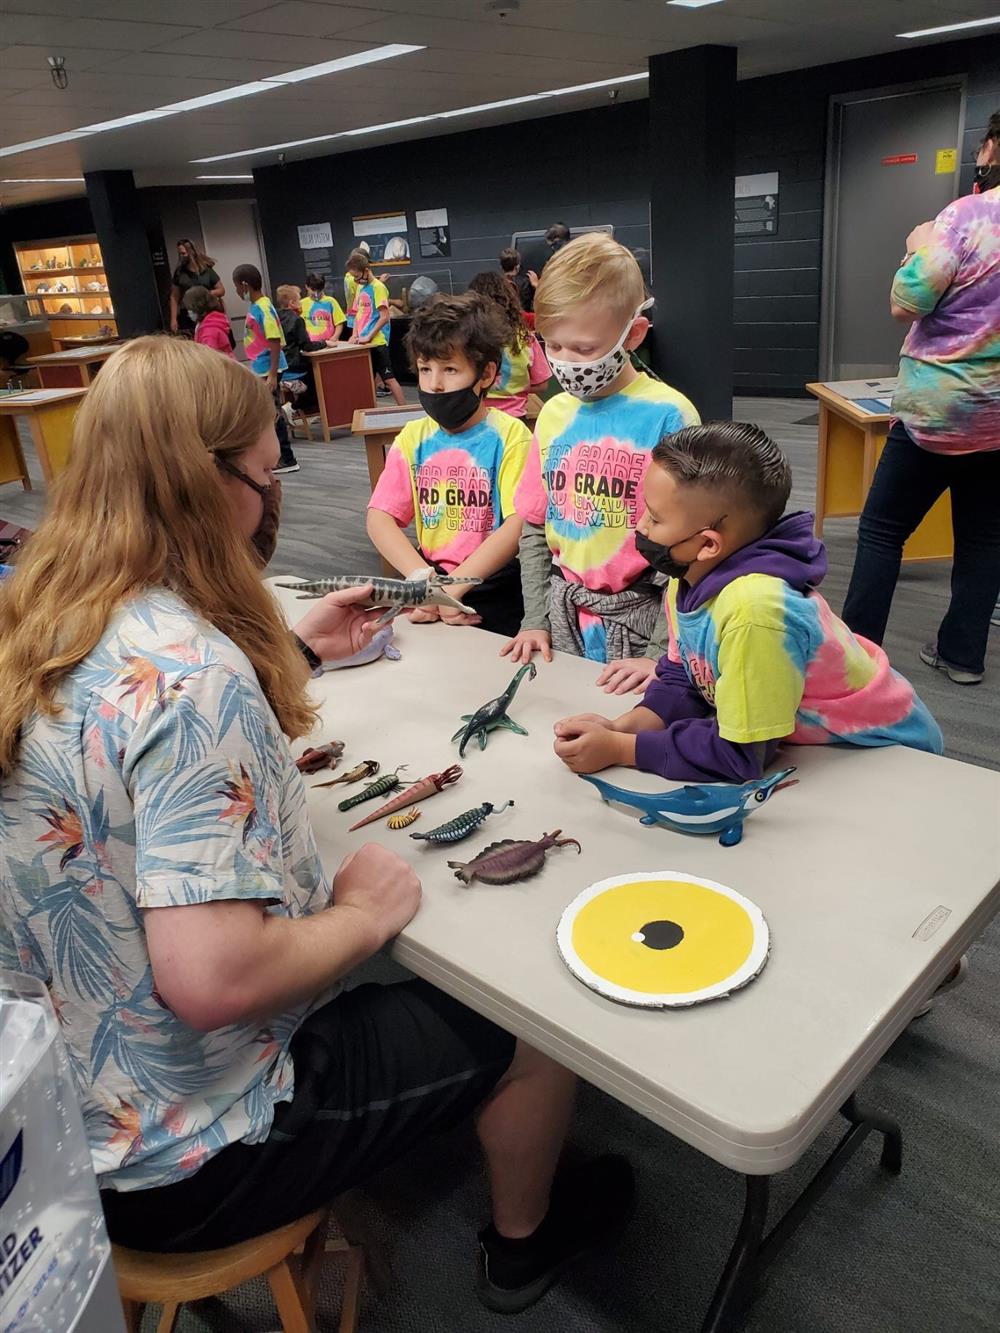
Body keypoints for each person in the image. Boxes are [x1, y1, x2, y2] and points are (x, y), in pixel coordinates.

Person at [0, 336, 632, 1313]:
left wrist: (288, 654)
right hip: (181, 1161)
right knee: (532, 1017)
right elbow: (215, 977)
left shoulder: (37, 610)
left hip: (51, 1118)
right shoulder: (190, 673)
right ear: (212, 484)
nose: (274, 495)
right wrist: (362, 914)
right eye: (266, 472)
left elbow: (125, 743)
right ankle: (523, 1243)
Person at [554, 421, 943, 782]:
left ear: (708, 543)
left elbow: (741, 756)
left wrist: (624, 750)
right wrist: (621, 727)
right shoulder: (689, 574)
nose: (640, 526)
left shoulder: (754, 612)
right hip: (806, 746)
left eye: (655, 519)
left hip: (885, 761)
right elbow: (685, 677)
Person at [502, 232, 700, 693]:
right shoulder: (552, 414)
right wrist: (535, 618)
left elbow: (689, 551)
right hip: (563, 616)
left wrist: (660, 652)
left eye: (586, 349)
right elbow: (534, 524)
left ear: (633, 334)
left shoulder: (670, 416)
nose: (567, 362)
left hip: (644, 624)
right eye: (553, 346)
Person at [842, 114, 1000, 686]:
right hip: (998, 417)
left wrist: (917, 246)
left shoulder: (967, 216)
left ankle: (859, 658)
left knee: (883, 530)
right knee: (984, 538)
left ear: (993, 147)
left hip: (938, 410)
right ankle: (963, 656)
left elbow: (907, 301)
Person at [367, 293, 531, 637]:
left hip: (492, 588)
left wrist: (453, 592)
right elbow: (379, 518)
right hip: (429, 582)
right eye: (425, 369)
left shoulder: (511, 436)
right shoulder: (413, 437)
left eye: (450, 369)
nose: (434, 384)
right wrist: (423, 582)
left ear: (485, 374)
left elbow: (518, 524)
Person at [231, 263, 299, 475]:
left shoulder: (263, 307)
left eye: (236, 287)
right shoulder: (257, 307)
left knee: (273, 413)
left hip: (267, 369)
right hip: (260, 367)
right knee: (269, 412)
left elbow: (274, 339)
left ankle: (286, 458)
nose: (236, 292)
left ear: (244, 285)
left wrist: (271, 373)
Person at [467, 270, 550, 418]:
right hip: (515, 418)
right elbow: (542, 384)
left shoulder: (468, 339)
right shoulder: (525, 338)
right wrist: (516, 387)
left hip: (477, 416)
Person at [346, 251, 406, 405]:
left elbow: (384, 316)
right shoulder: (361, 288)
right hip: (364, 341)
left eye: (357, 276)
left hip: (377, 342)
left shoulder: (378, 287)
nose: (356, 281)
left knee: (389, 379)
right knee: (365, 381)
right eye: (354, 277)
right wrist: (355, 334)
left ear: (366, 271)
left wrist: (369, 336)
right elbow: (359, 314)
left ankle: (405, 412)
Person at [274, 283, 335, 414]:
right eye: (299, 300)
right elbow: (307, 346)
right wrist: (325, 343)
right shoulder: (297, 320)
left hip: (280, 365)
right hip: (295, 367)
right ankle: (292, 407)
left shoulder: (276, 316)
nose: (301, 303)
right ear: (292, 303)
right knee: (320, 386)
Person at [170, 238, 224, 334]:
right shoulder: (179, 273)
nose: (181, 256)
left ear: (191, 252)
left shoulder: (206, 270)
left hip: (207, 312)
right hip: (188, 315)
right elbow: (174, 297)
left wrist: (206, 294)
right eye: (180, 254)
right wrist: (173, 319)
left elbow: (221, 290)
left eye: (183, 253)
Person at [183, 285, 235, 358]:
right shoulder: (211, 321)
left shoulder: (209, 331)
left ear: (198, 307)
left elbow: (210, 359)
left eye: (190, 308)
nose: (188, 312)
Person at [300, 272, 345, 343]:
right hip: (310, 344)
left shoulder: (331, 301)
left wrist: (335, 337)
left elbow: (339, 322)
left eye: (319, 290)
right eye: (313, 290)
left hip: (329, 343)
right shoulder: (301, 304)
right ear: (307, 287)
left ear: (323, 288)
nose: (316, 293)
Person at [499, 246, 537, 316]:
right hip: (523, 320)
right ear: (517, 267)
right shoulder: (526, 282)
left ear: (501, 267)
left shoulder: (495, 282)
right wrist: (536, 285)